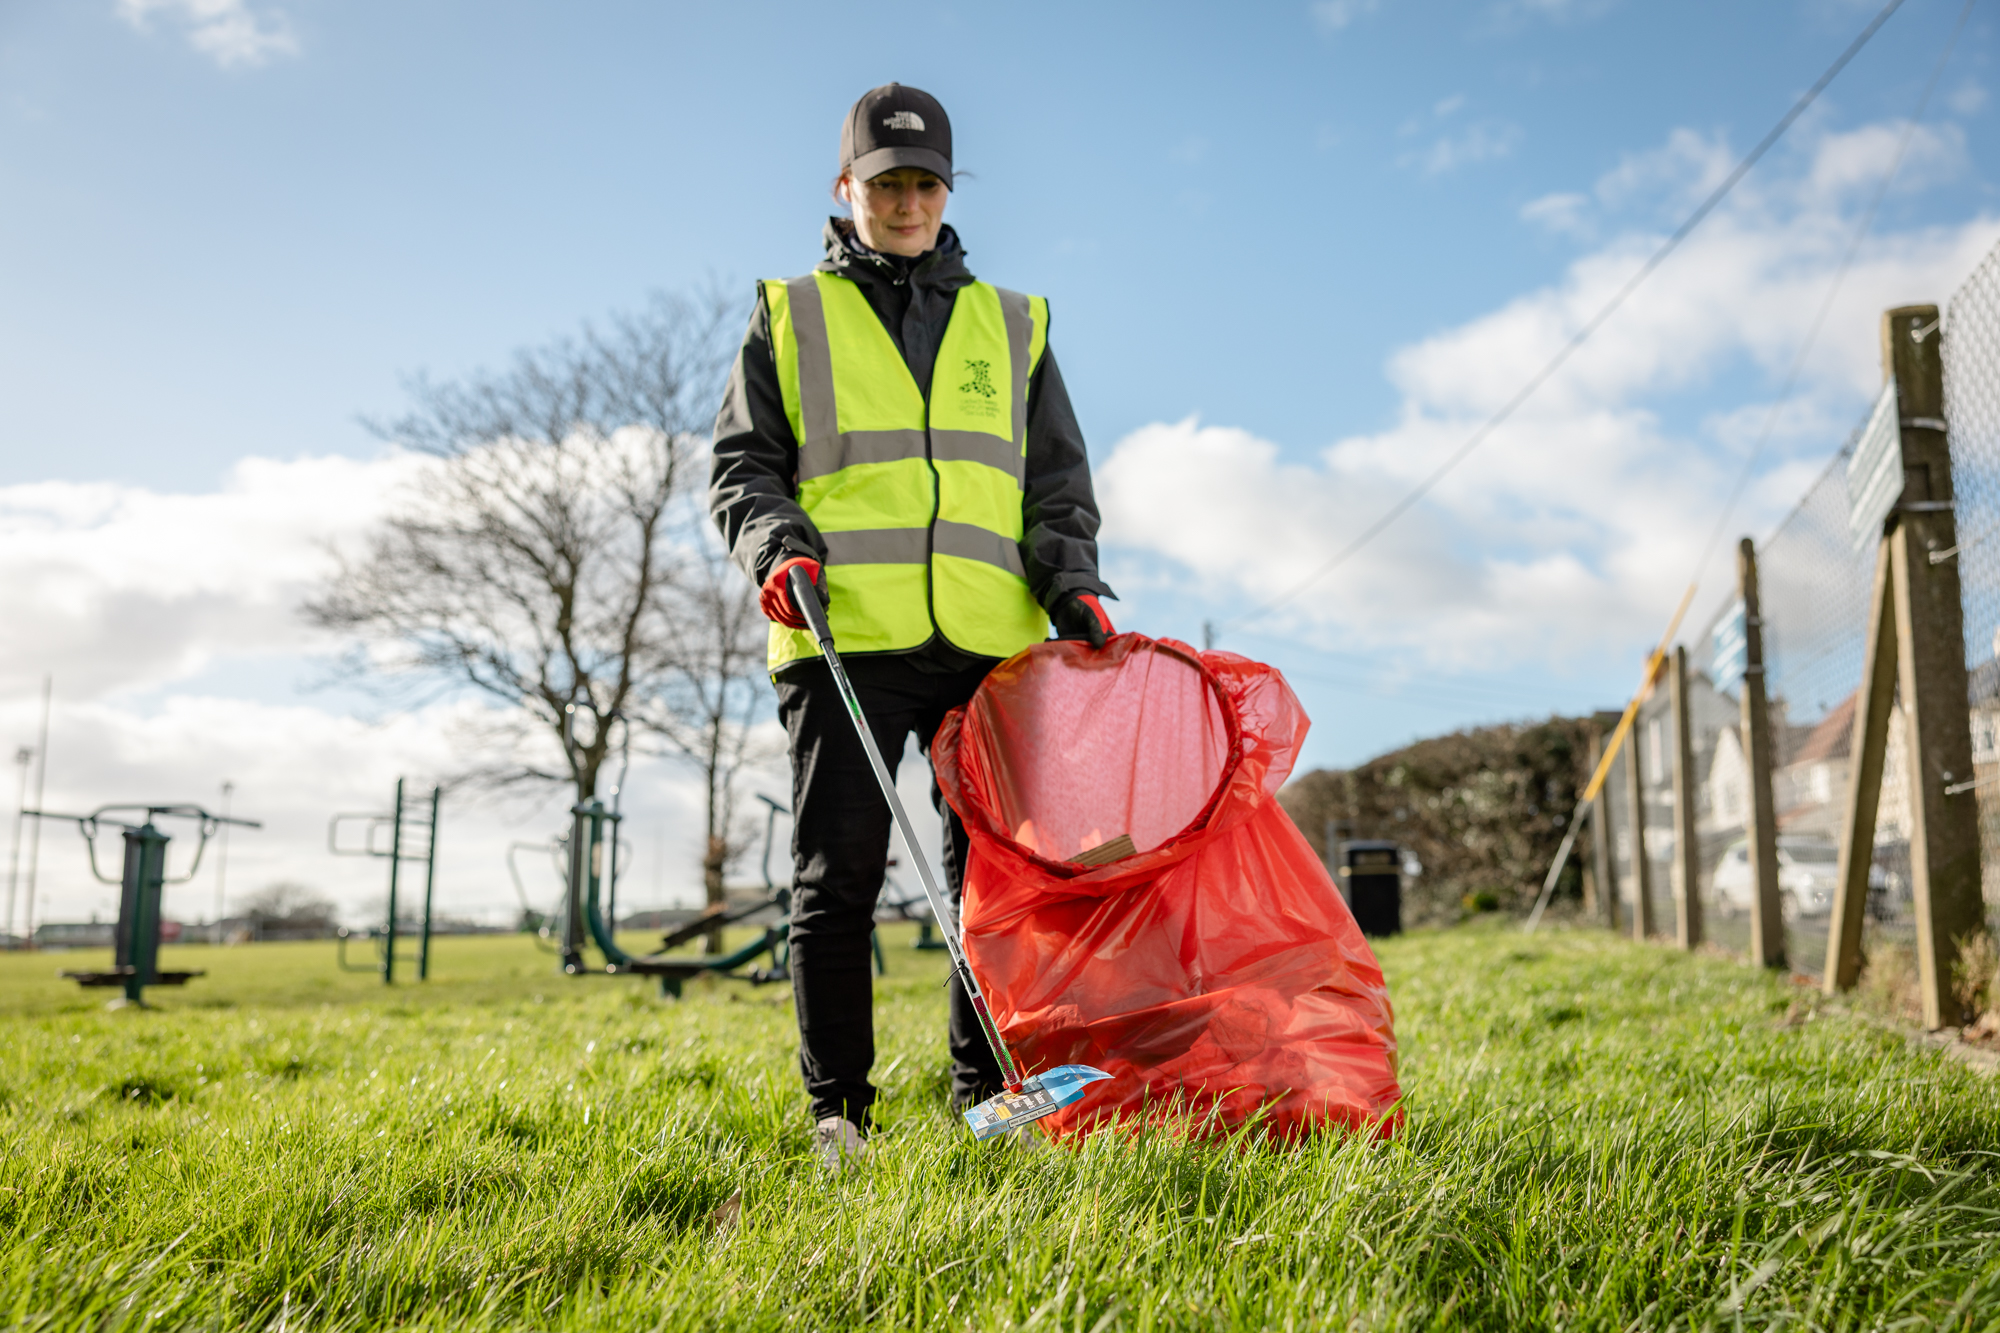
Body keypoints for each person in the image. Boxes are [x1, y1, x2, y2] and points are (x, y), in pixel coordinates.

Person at [709, 83, 1116, 1163]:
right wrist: (776, 548)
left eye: (923, 180)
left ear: (946, 189)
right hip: (841, 635)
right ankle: (837, 1110)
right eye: (884, 181)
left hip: (985, 645)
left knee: (989, 880)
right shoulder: (790, 313)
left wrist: (1070, 581)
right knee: (836, 874)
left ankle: (989, 1099)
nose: (905, 199)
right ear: (845, 187)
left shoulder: (1013, 323)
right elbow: (742, 466)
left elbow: (1054, 484)